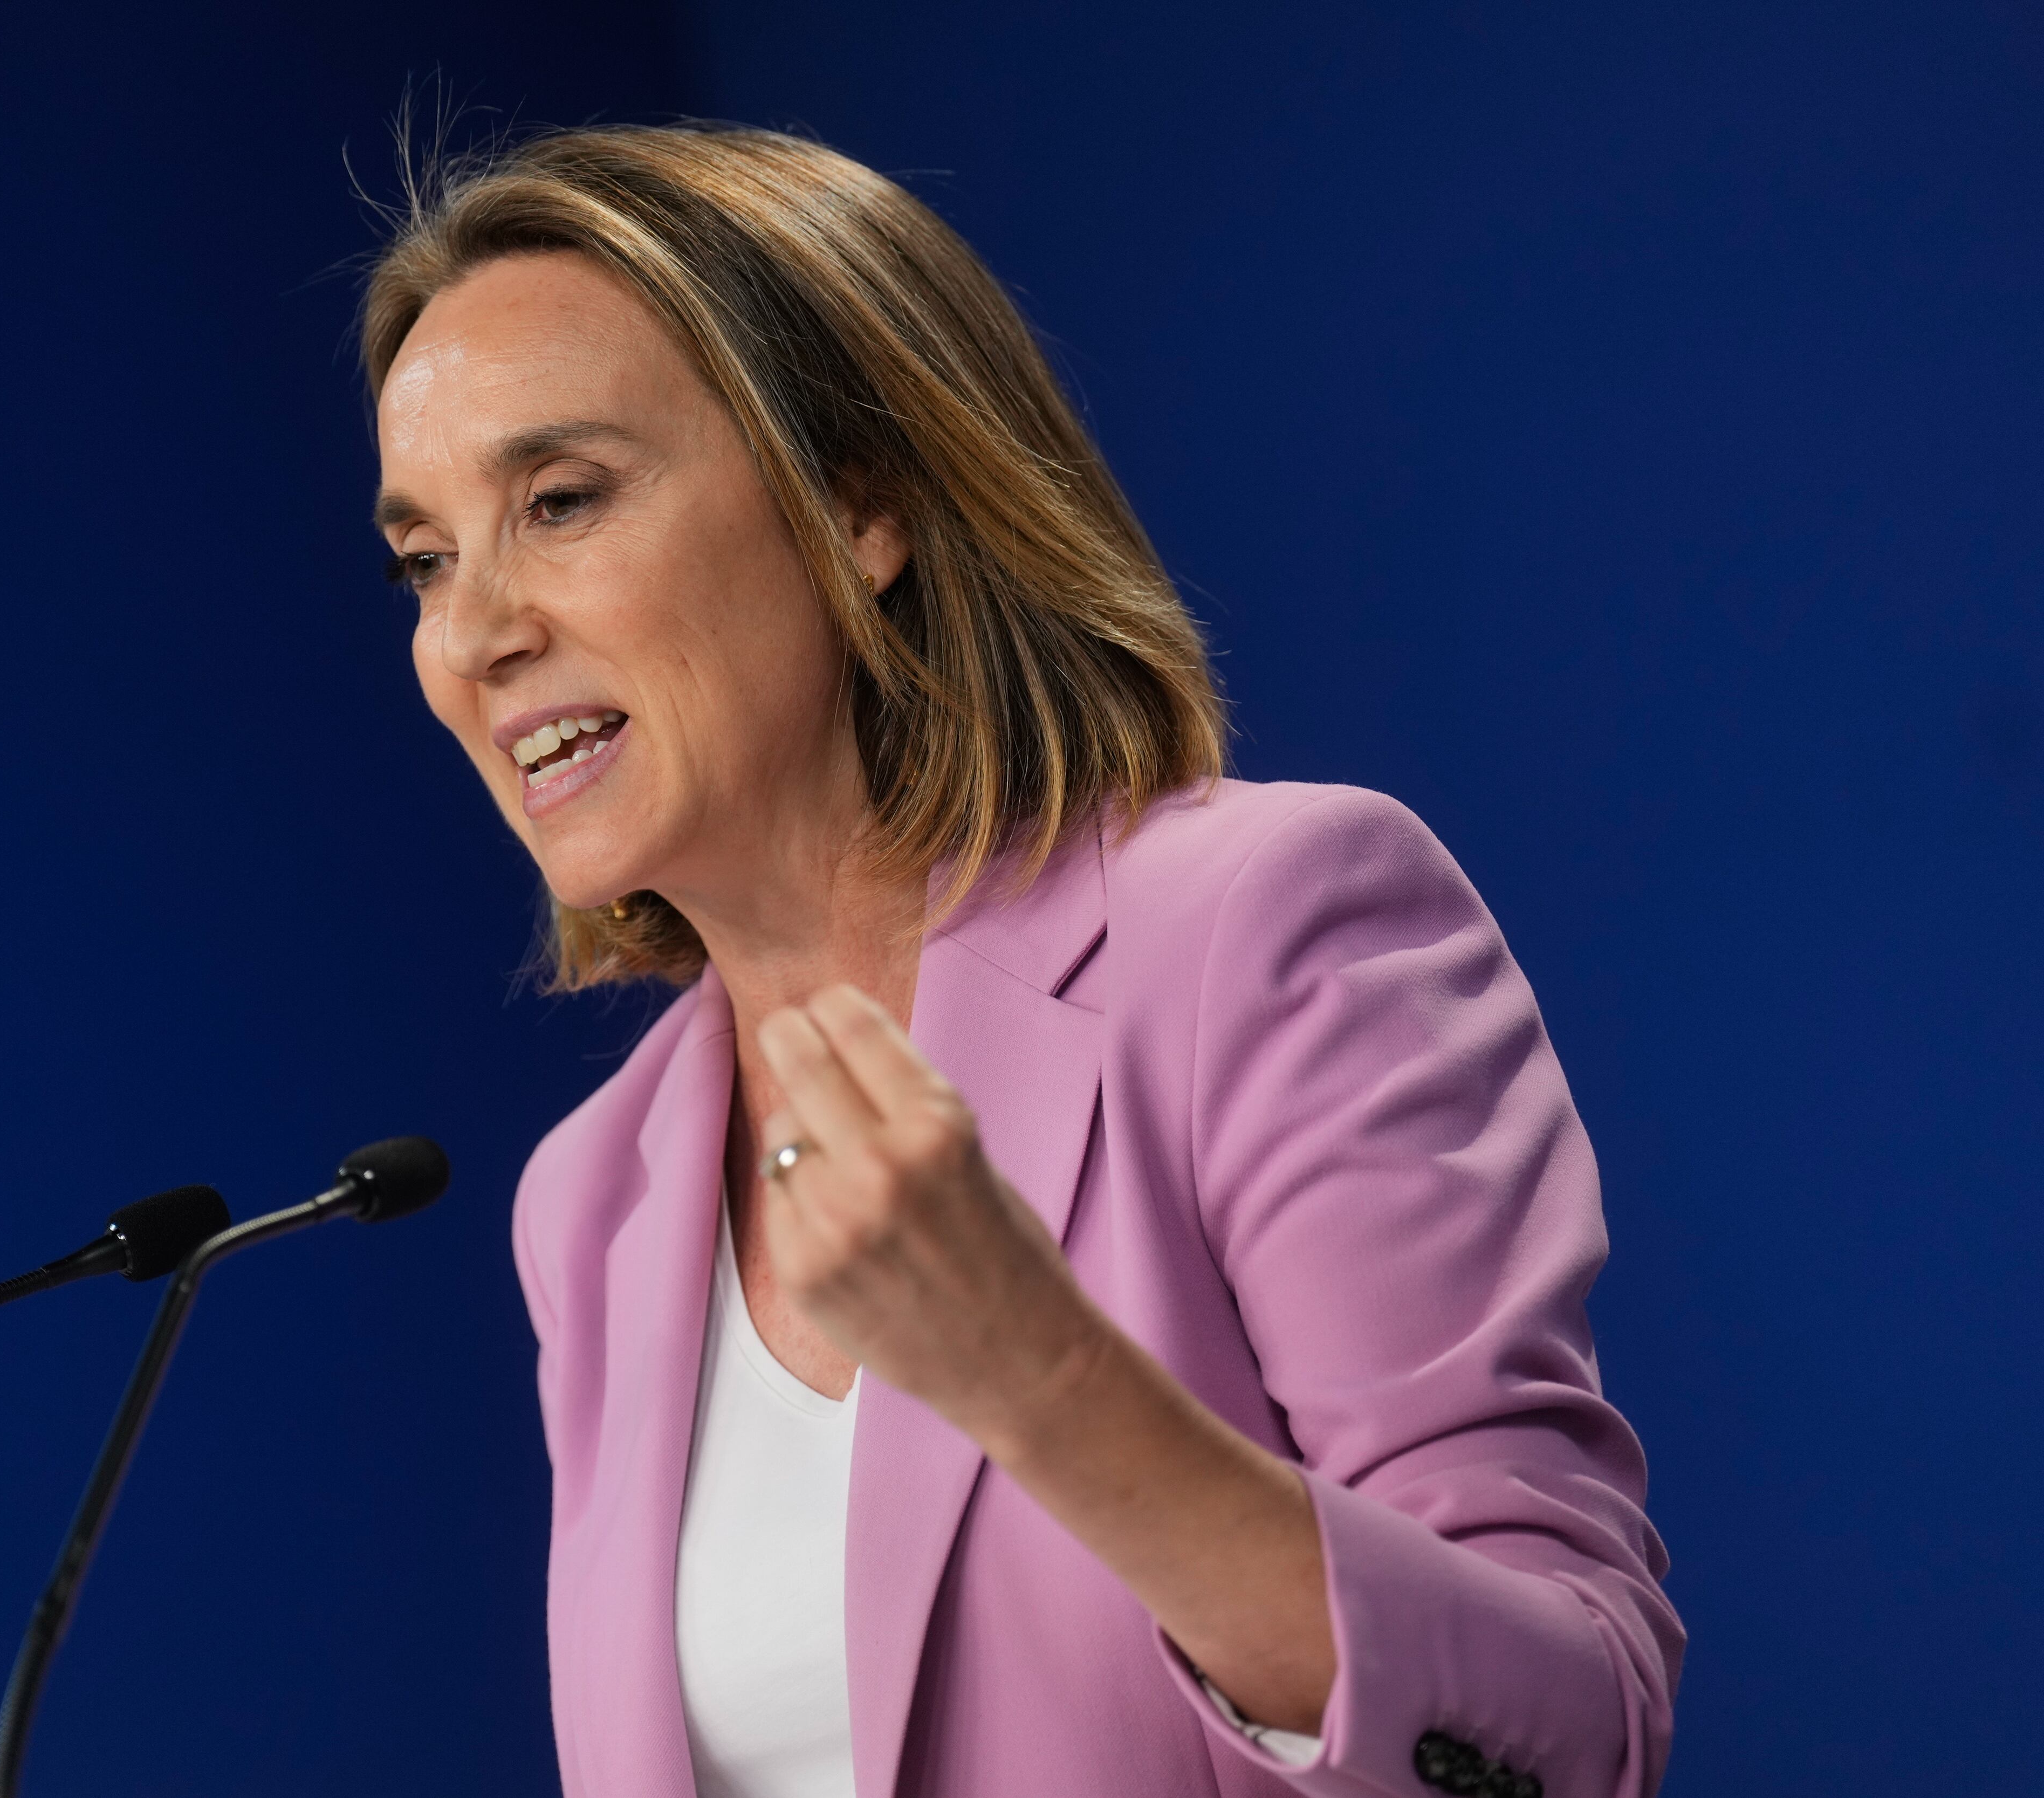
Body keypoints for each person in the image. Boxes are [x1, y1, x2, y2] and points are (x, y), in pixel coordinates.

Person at [362, 123, 1679, 1798]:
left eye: (561, 501)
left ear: (864, 503)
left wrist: (1040, 1381)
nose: (476, 634)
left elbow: (1566, 1742)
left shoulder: (1263, 928)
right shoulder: (595, 1196)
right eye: (424, 561)